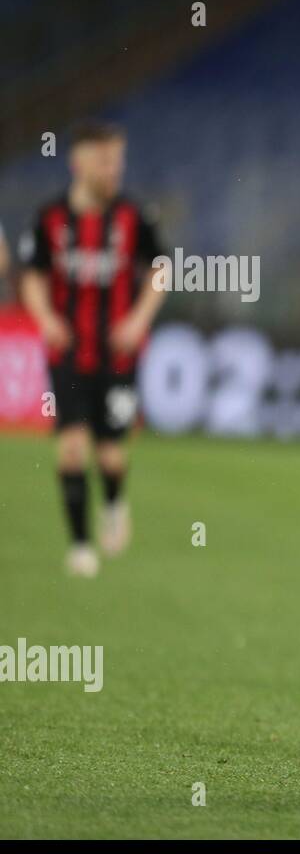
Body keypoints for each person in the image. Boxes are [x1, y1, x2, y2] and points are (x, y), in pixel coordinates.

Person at [18, 120, 167, 577]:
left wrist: (139, 319)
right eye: (105, 161)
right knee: (71, 447)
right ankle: (81, 547)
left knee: (110, 454)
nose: (113, 171)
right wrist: (45, 319)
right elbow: (33, 276)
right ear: (78, 162)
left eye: (117, 162)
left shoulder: (132, 217)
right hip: (68, 354)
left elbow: (161, 268)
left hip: (118, 358)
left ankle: (115, 502)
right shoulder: (50, 218)